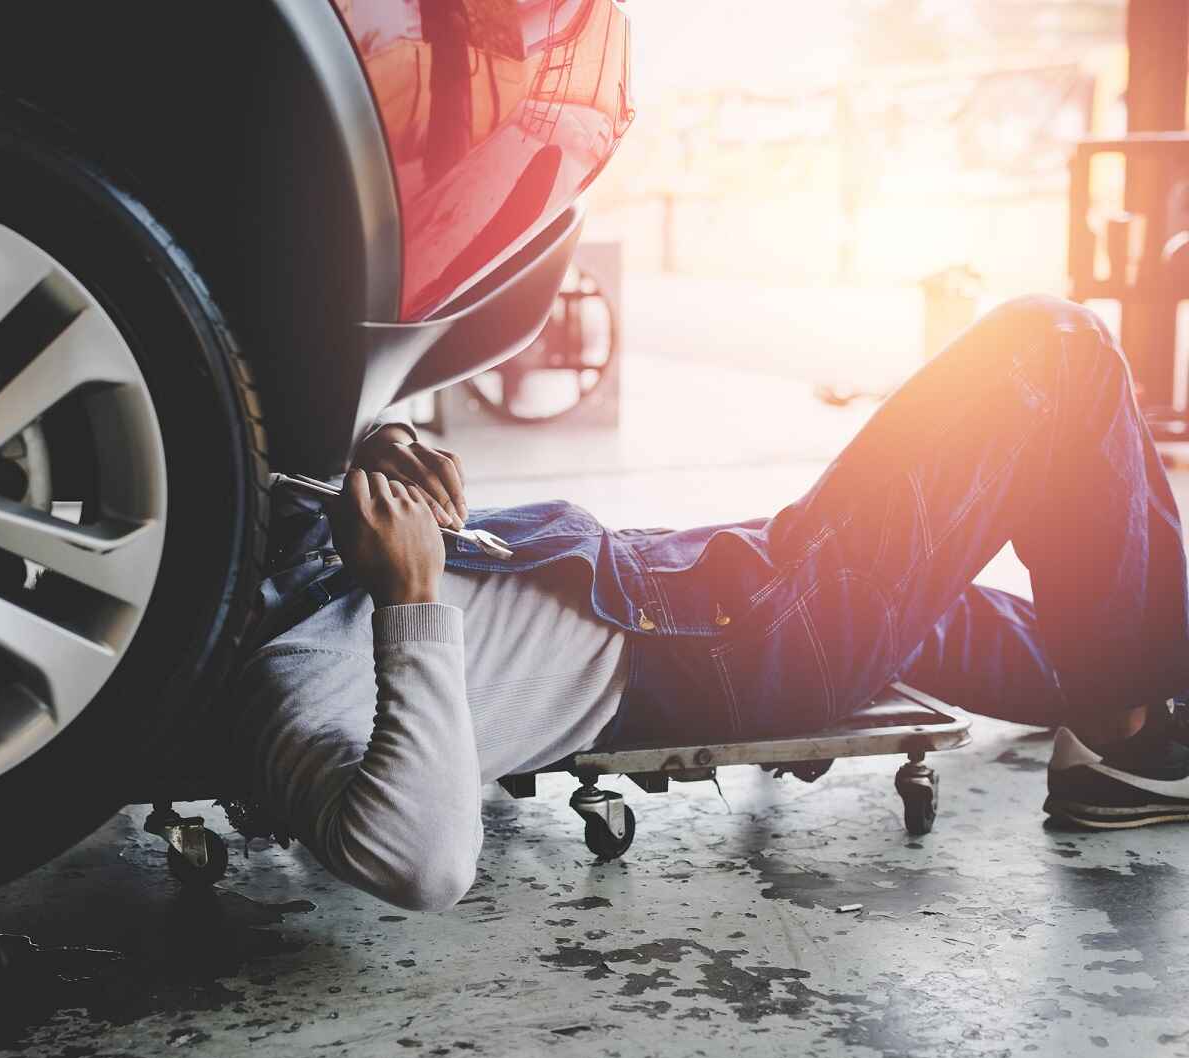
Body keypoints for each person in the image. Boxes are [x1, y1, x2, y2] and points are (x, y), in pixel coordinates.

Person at [236, 296, 1189, 912]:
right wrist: (410, 595)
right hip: (741, 639)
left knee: (1023, 611)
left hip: (704, 583)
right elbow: (422, 863)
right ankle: (1128, 737)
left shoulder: (284, 556)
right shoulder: (288, 677)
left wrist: (384, 451)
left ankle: (1141, 686)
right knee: (1057, 348)